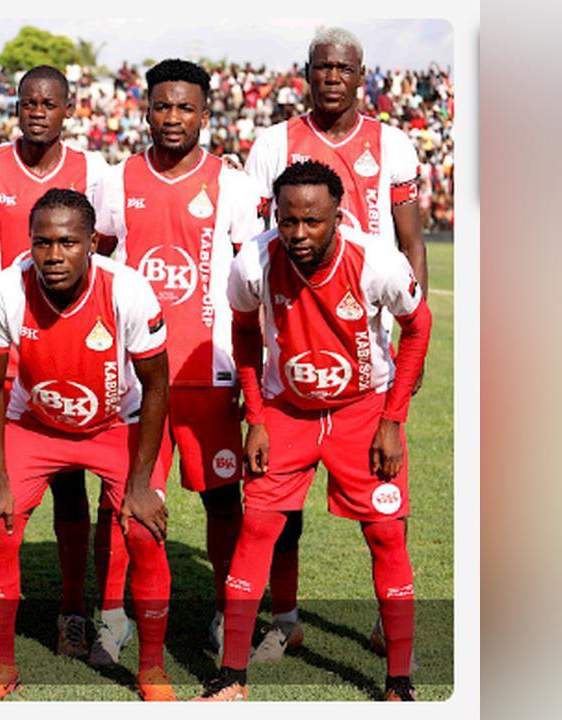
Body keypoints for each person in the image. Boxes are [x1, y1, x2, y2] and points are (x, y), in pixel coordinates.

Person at [195, 161, 430, 701]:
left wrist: (392, 420)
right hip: (287, 411)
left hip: (362, 410)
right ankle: (231, 677)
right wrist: (256, 416)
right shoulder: (253, 261)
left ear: (338, 217)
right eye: (288, 220)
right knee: (257, 529)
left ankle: (399, 682)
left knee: (386, 534)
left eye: (312, 221)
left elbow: (418, 327)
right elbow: (244, 332)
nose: (298, 233)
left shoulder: (377, 261)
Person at [242, 26, 429, 661]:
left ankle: (385, 623)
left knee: (385, 495)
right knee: (280, 499)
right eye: (321, 67)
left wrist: (414, 334)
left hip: (371, 337)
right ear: (307, 73)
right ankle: (284, 618)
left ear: (360, 75)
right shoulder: (274, 144)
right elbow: (254, 242)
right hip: (293, 338)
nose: (331, 77)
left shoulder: (392, 143)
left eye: (343, 68)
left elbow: (411, 241)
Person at [0, 189, 172, 701]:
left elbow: (156, 387)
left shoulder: (127, 289)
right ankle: (2, 667)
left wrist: (141, 484)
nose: (54, 255)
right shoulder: (3, 290)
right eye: (42, 243)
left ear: (93, 244)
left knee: (144, 530)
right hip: (35, 424)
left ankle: (151, 671)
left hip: (117, 423)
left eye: (67, 242)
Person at [93, 58, 265, 658]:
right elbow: (98, 263)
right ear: (145, 111)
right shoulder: (115, 180)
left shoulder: (234, 186)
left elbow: (254, 278)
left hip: (207, 370)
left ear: (205, 114)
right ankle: (111, 617)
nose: (172, 117)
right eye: (162, 106)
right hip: (132, 372)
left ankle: (226, 612)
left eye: (185, 107)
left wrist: (255, 369)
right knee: (122, 496)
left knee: (222, 497)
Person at [0, 65, 112, 662]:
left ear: (68, 109)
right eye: (28, 102)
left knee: (70, 483)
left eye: (49, 103)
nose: (38, 112)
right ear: (16, 107)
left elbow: (106, 243)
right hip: (1, 342)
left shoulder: (92, 170)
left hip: (66, 342)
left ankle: (73, 609)